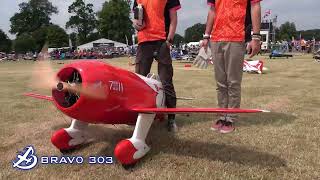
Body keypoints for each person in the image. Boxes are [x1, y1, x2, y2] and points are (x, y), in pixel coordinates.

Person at [202, 0, 262, 133]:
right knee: (220, 83)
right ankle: (222, 115)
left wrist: (256, 37)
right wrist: (206, 35)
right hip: (216, 38)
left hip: (236, 36)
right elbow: (212, 10)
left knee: (233, 82)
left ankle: (231, 118)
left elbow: (255, 5)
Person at [132, 0, 181, 132]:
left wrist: (169, 41)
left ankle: (171, 119)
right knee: (139, 82)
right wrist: (137, 25)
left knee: (166, 82)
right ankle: (138, 117)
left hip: (161, 42)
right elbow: (136, 21)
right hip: (143, 42)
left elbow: (174, 19)